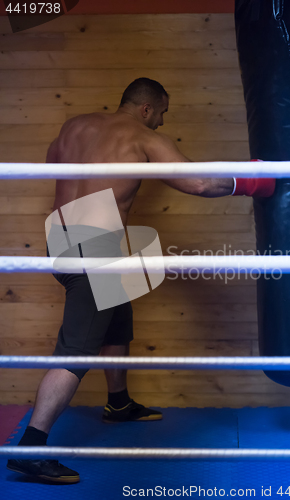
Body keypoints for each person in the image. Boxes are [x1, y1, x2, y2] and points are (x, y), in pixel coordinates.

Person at [7, 77, 274, 484]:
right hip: (94, 251)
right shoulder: (139, 135)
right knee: (77, 350)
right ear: (146, 108)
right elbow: (198, 182)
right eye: (162, 113)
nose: (162, 123)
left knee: (117, 313)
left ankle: (118, 403)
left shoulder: (73, 126)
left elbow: (52, 166)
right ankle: (31, 446)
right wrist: (252, 181)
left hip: (60, 240)